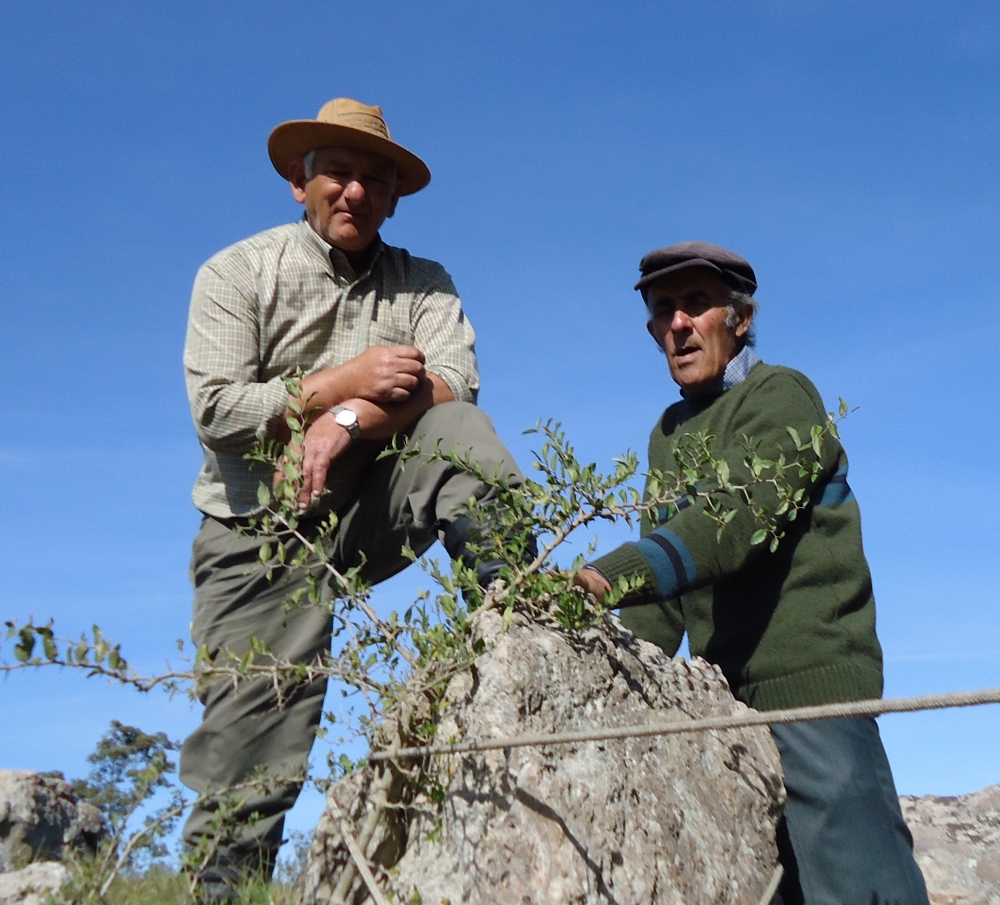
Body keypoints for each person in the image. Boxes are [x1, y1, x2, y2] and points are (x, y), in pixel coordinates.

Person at [180, 97, 524, 897]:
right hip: (255, 535)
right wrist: (336, 380)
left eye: (375, 178)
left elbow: (452, 382)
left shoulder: (423, 283)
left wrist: (346, 417)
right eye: (337, 172)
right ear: (300, 184)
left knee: (463, 431)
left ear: (396, 197)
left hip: (367, 508)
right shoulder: (237, 272)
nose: (355, 192)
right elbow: (219, 411)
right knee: (253, 755)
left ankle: (520, 618)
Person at [573, 242, 929, 905]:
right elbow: (664, 590)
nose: (678, 322)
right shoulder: (669, 432)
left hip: (814, 700)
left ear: (738, 318)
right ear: (653, 331)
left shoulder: (782, 395)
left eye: (696, 304)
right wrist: (609, 659)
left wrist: (606, 576)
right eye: (663, 310)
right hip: (725, 714)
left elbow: (729, 523)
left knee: (862, 889)